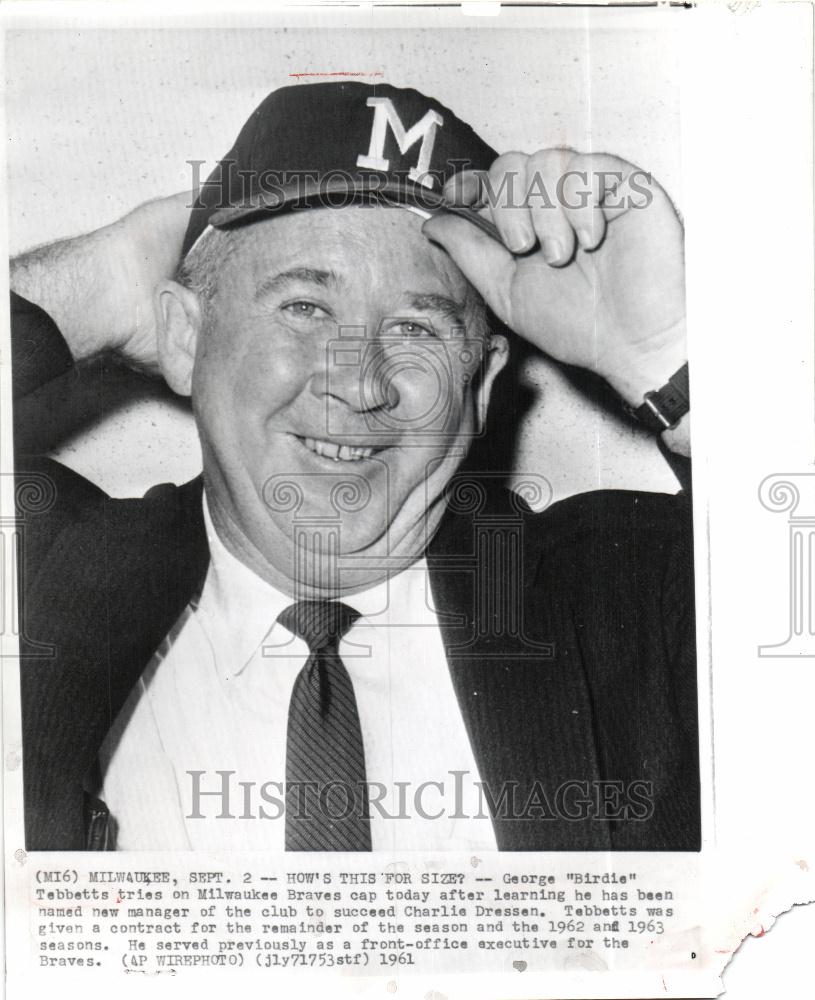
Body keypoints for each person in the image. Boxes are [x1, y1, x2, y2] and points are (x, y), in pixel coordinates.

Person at [10, 81, 698, 852]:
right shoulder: (37, 574)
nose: (362, 382)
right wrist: (95, 284)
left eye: (416, 327)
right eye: (304, 307)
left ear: (479, 385)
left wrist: (666, 357)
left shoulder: (632, 592)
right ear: (184, 338)